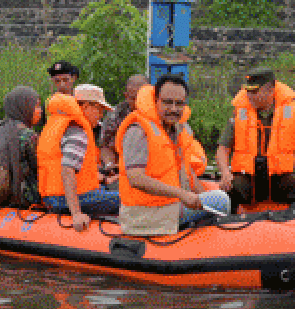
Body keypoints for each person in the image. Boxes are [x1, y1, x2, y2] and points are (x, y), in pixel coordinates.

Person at [116, 75, 230, 236]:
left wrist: (200, 196)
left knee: (218, 196)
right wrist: (182, 194)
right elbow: (135, 178)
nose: (174, 109)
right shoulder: (138, 130)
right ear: (156, 101)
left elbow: (187, 172)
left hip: (168, 206)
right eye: (168, 102)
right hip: (144, 215)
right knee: (221, 202)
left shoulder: (175, 131)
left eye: (179, 103)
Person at [215, 67, 295, 210]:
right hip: (248, 179)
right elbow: (222, 150)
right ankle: (229, 225)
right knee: (228, 191)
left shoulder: (290, 111)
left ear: (270, 90)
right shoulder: (240, 112)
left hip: (278, 179)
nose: (249, 95)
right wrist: (225, 174)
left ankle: (291, 223)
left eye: (254, 91)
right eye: (248, 91)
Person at [37, 84, 120, 232]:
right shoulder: (78, 130)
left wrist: (103, 178)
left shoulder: (56, 123)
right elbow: (67, 170)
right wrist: (76, 213)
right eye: (99, 110)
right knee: (126, 198)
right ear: (87, 106)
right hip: (64, 198)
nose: (101, 115)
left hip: (52, 195)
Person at [99, 73, 149, 182]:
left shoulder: (161, 113)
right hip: (123, 172)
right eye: (133, 98)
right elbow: (105, 146)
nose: (138, 103)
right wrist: (110, 164)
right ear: (126, 95)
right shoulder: (116, 114)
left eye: (141, 98)